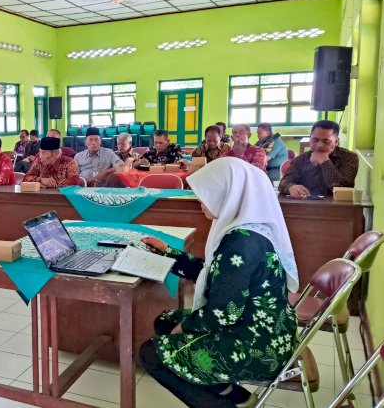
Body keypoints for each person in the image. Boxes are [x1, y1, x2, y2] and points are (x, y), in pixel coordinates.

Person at [139, 157, 299, 408]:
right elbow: (216, 275)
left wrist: (183, 327)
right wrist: (169, 253)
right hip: (264, 330)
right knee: (164, 321)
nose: (200, 201)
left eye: (206, 194)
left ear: (229, 194)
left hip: (258, 346)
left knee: (151, 353)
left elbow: (223, 314)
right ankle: (231, 393)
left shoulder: (241, 242)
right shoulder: (250, 230)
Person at [278, 120, 358, 198]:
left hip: (338, 207)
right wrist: (291, 187)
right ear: (310, 139)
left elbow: (344, 189)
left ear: (336, 142)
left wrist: (325, 162)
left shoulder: (349, 157)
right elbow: (283, 183)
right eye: (315, 140)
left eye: (326, 141)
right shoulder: (301, 159)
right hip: (307, 205)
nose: (319, 145)